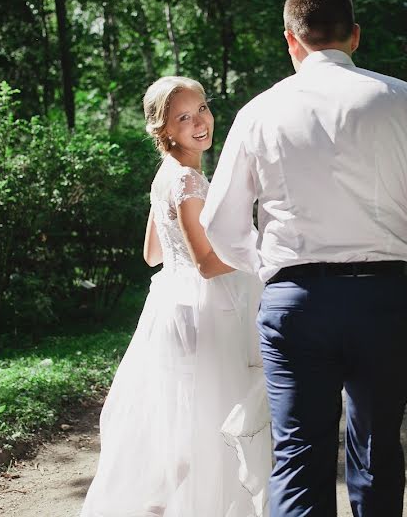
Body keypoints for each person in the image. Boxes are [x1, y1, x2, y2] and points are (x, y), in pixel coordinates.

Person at [201, 0, 407, 517]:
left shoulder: (257, 112)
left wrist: (271, 273)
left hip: (296, 305)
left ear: (290, 40)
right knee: (378, 450)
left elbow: (219, 225)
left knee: (297, 455)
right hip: (384, 303)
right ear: (354, 36)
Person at [80, 76, 271, 517]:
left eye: (202, 108)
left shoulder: (168, 176)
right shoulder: (187, 180)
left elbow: (151, 253)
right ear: (163, 129)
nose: (200, 121)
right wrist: (260, 250)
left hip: (173, 305)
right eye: (184, 117)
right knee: (209, 422)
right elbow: (206, 262)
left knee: (184, 423)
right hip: (206, 311)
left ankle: (160, 505)